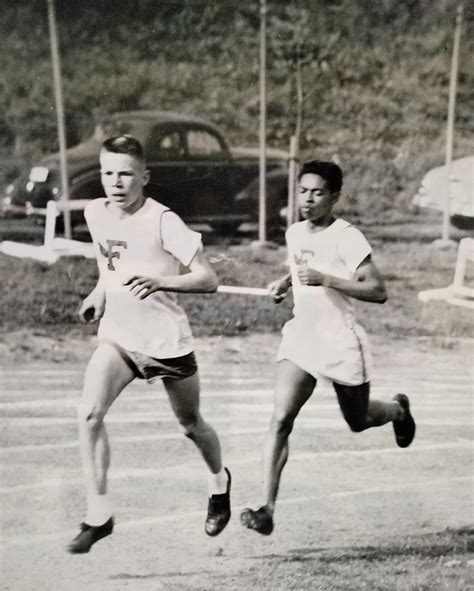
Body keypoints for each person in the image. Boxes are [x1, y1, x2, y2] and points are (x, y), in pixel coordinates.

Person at [67, 135, 231, 554]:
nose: (115, 183)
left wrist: (163, 280)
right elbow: (110, 264)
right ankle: (98, 514)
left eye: (125, 174)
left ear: (144, 176)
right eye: (108, 173)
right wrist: (99, 294)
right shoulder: (95, 212)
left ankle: (219, 482)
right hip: (120, 337)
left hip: (165, 340)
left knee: (191, 425)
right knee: (88, 415)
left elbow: (208, 279)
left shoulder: (163, 221)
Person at [240, 160, 415, 536]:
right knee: (281, 418)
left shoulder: (347, 237)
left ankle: (398, 411)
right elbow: (300, 267)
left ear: (334, 197)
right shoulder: (295, 233)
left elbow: (377, 290)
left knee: (358, 420)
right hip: (302, 335)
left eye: (317, 193)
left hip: (340, 339)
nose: (308, 199)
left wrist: (326, 279)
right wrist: (285, 283)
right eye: (303, 191)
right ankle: (266, 508)